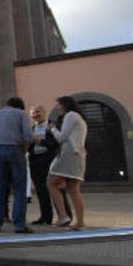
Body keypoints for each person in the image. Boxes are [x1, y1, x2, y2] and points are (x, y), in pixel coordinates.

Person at [0, 97, 34, 234]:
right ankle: (19, 225)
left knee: (0, 188)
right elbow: (28, 136)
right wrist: (24, 150)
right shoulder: (21, 114)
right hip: (15, 150)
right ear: (20, 107)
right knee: (19, 188)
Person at [47, 96, 89, 230]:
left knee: (51, 182)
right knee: (73, 190)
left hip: (69, 154)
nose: (57, 107)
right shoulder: (79, 117)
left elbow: (61, 137)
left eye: (58, 105)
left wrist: (53, 128)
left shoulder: (70, 115)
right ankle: (80, 222)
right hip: (78, 155)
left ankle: (63, 216)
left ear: (65, 105)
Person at [28, 105, 63, 225]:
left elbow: (56, 143)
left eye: (37, 112)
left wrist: (40, 141)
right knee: (41, 190)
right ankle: (46, 217)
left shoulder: (52, 126)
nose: (35, 115)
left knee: (56, 189)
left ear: (44, 112)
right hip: (35, 162)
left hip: (50, 160)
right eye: (33, 113)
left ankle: (64, 215)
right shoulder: (32, 128)